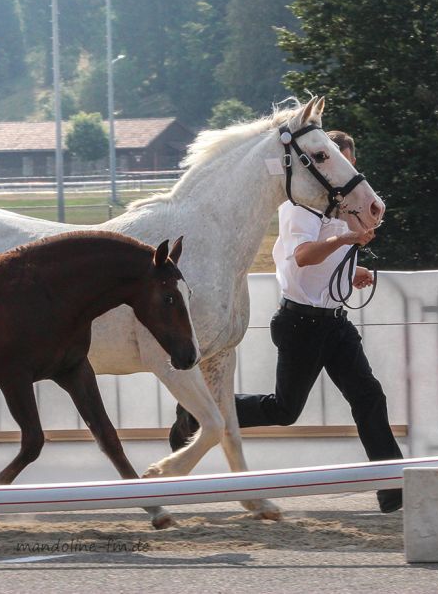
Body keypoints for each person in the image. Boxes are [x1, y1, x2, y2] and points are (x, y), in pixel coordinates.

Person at [169, 130, 404, 513]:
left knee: (369, 396)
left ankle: (393, 487)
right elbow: (303, 256)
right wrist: (346, 242)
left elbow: (322, 259)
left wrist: (352, 271)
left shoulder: (341, 207)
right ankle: (197, 413)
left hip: (334, 322)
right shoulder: (302, 207)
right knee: (284, 410)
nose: (343, 175)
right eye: (337, 163)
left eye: (348, 165)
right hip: (302, 324)